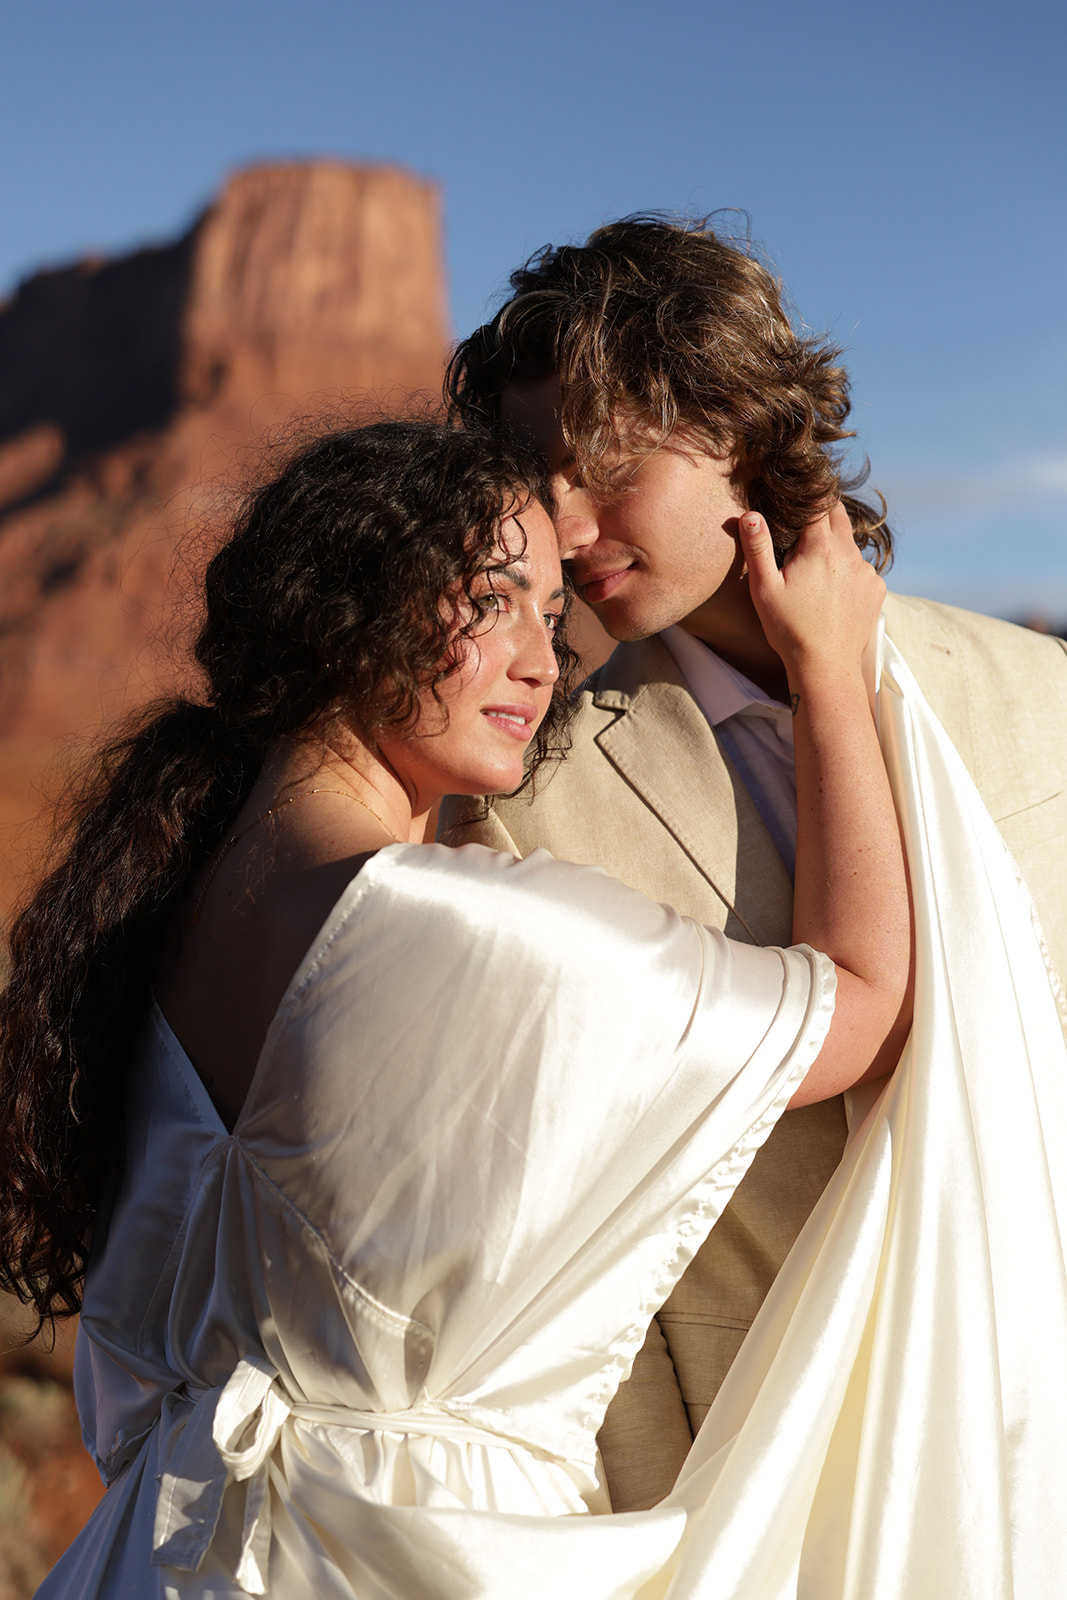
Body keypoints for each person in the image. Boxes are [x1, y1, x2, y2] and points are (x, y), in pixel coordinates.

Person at [0, 420, 909, 1598]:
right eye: (497, 599)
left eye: (552, 613)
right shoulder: (488, 935)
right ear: (351, 603)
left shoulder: (148, 926)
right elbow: (861, 1003)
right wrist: (831, 669)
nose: (545, 660)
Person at [443, 214, 1067, 1512]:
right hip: (747, 1495)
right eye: (528, 477)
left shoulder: (1038, 698)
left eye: (599, 464)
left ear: (736, 425)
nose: (560, 523)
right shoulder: (526, 807)